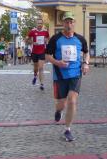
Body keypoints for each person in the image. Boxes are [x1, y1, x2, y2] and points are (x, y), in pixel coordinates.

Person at [45, 12, 89, 142]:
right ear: (63, 23)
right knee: (61, 104)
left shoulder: (80, 39)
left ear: (74, 23)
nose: (69, 25)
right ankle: (58, 111)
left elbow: (86, 53)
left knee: (72, 100)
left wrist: (86, 63)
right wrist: (58, 62)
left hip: (75, 74)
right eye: (66, 22)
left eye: (71, 22)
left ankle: (67, 130)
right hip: (60, 75)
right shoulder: (55, 39)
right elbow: (47, 56)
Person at [29, 20, 50, 91]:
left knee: (41, 68)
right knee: (36, 68)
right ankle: (35, 76)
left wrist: (46, 41)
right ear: (36, 24)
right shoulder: (32, 31)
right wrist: (33, 42)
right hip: (34, 52)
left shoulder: (45, 32)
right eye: (38, 23)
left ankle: (42, 84)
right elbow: (27, 40)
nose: (39, 24)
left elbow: (48, 40)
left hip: (42, 52)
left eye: (41, 23)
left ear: (42, 24)